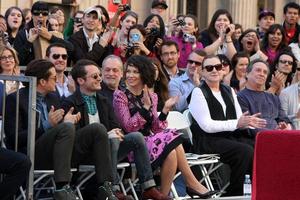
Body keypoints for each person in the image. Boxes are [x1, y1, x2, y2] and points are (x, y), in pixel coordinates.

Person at [4, 59, 118, 200]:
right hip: (32, 153)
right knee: (66, 127)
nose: (58, 81)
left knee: (97, 129)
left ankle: (104, 186)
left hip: (60, 153)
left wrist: (68, 121)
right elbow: (14, 138)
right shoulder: (15, 99)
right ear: (42, 82)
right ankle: (62, 187)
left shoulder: (53, 97)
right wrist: (47, 125)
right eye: (53, 78)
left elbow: (64, 131)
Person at [62, 58, 169, 200]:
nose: (100, 79)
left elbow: (116, 126)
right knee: (111, 139)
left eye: (99, 75)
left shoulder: (103, 100)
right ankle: (113, 188)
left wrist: (116, 131)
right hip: (85, 154)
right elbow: (73, 138)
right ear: (81, 81)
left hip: (107, 151)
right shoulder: (69, 103)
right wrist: (107, 134)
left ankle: (148, 187)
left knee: (135, 137)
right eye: (96, 76)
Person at [113, 55, 218, 198]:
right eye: (128, 71)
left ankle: (164, 194)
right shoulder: (120, 96)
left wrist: (164, 111)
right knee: (171, 137)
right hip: (133, 146)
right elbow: (129, 127)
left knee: (172, 150)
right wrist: (145, 108)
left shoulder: (152, 96)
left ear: (144, 74)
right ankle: (191, 183)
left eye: (135, 72)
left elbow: (157, 129)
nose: (130, 75)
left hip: (152, 141)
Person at [189, 55, 266, 196]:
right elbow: (207, 125)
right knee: (244, 151)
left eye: (218, 67)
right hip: (207, 140)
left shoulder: (229, 90)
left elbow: (238, 119)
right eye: (209, 68)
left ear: (223, 69)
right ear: (202, 72)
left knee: (258, 146)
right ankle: (234, 193)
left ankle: (258, 191)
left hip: (229, 137)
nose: (214, 70)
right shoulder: (198, 92)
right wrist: (237, 123)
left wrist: (247, 122)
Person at [237, 59, 292, 134]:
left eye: (265, 72)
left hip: (280, 136)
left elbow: (285, 120)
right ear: (247, 74)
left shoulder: (273, 98)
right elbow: (248, 127)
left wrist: (287, 127)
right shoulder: (240, 97)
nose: (262, 74)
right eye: (258, 70)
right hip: (256, 139)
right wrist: (275, 132)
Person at [13, 1, 73, 65]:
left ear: (47, 16)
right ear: (32, 15)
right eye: (37, 13)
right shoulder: (23, 33)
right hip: (30, 72)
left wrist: (50, 37)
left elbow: (70, 48)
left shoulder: (53, 31)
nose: (40, 16)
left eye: (44, 13)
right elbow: (17, 59)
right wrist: (29, 41)